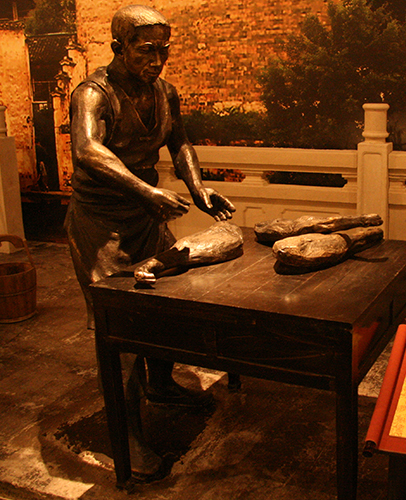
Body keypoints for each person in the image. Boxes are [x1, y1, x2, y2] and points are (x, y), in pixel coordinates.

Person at [65, 5, 235, 479]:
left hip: (147, 215)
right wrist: (146, 191)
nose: (157, 60)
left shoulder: (164, 92)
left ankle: (160, 384)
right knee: (120, 333)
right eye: (145, 51)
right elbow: (86, 149)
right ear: (118, 48)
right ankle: (128, 436)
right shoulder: (92, 94)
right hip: (101, 224)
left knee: (166, 307)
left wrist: (198, 189)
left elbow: (179, 142)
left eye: (163, 50)